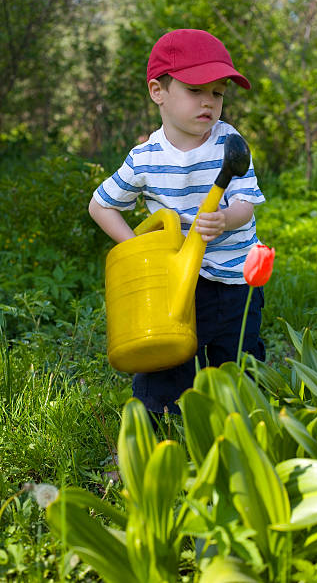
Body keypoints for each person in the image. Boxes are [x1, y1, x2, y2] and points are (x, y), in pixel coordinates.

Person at [89, 28, 266, 419]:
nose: (209, 102)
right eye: (195, 89)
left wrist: (224, 219)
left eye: (218, 93)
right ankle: (158, 436)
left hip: (232, 279)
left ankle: (238, 427)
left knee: (237, 363)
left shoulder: (229, 142)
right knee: (164, 366)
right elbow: (101, 206)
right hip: (172, 285)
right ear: (158, 92)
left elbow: (246, 203)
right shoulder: (145, 158)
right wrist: (138, 250)